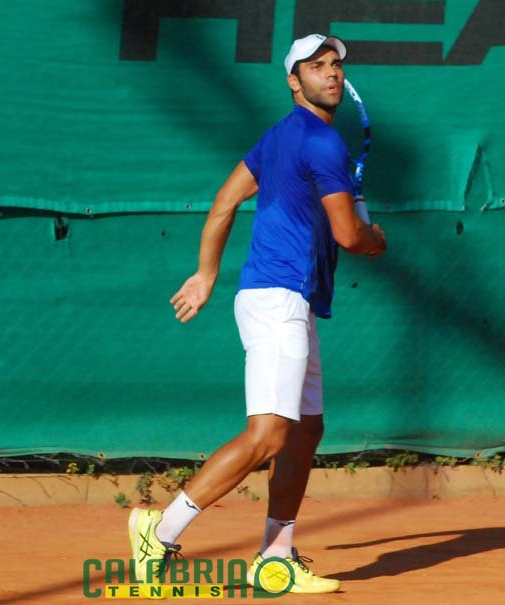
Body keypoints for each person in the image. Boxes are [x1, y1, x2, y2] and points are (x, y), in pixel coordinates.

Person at [126, 33, 387, 595]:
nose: (332, 73)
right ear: (294, 81)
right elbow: (349, 235)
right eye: (316, 67)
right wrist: (375, 240)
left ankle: (275, 554)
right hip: (278, 300)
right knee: (268, 436)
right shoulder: (322, 143)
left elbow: (225, 200)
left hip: (288, 299)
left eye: (336, 65)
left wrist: (207, 273)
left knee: (306, 431)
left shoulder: (278, 138)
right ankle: (159, 531)